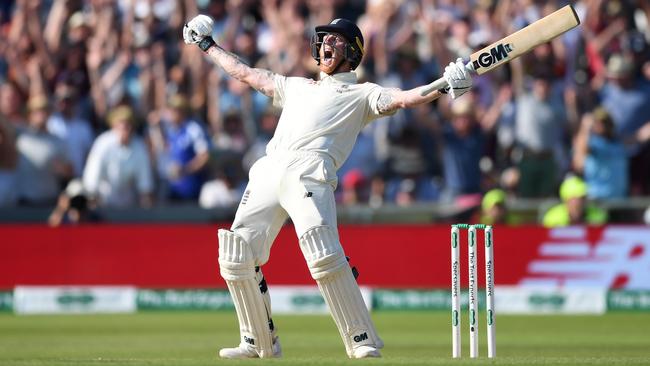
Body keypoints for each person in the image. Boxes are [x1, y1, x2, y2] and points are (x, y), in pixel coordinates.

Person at [183, 15, 473, 358]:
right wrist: (206, 45)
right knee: (235, 255)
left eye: (335, 40)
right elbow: (245, 73)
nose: (326, 44)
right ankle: (258, 342)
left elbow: (406, 98)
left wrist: (444, 84)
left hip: (310, 172)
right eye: (324, 39)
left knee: (323, 253)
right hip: (269, 168)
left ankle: (361, 338)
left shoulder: (363, 93)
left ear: (352, 51)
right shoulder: (296, 86)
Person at [542, 176, 608, 228]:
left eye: (583, 198)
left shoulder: (598, 215)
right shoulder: (553, 218)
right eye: (576, 199)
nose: (580, 202)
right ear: (566, 200)